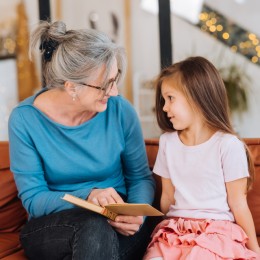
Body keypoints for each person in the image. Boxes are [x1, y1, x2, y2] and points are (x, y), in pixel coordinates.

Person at [8, 20, 155, 260]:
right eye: (105, 85)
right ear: (71, 87)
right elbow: (34, 199)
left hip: (118, 222)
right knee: (93, 228)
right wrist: (88, 195)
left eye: (115, 79)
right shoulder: (25, 120)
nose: (115, 92)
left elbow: (140, 177)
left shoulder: (120, 111)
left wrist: (137, 215)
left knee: (97, 240)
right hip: (55, 225)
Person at [143, 56, 260, 260]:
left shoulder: (228, 145)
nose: (164, 108)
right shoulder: (167, 143)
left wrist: (255, 250)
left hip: (215, 233)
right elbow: (167, 198)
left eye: (170, 98)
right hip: (174, 232)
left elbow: (238, 204)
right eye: (164, 100)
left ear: (196, 97)